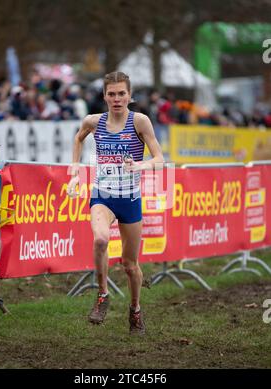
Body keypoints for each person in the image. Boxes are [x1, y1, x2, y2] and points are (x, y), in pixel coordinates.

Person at [67, 71, 164, 334]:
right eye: (112, 94)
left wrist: (140, 165)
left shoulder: (140, 122)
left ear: (130, 96)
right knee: (100, 240)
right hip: (103, 196)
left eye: (122, 93)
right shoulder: (93, 121)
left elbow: (160, 159)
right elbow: (78, 138)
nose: (117, 98)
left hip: (130, 199)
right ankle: (102, 295)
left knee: (129, 265)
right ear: (104, 96)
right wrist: (74, 172)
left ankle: (135, 309)